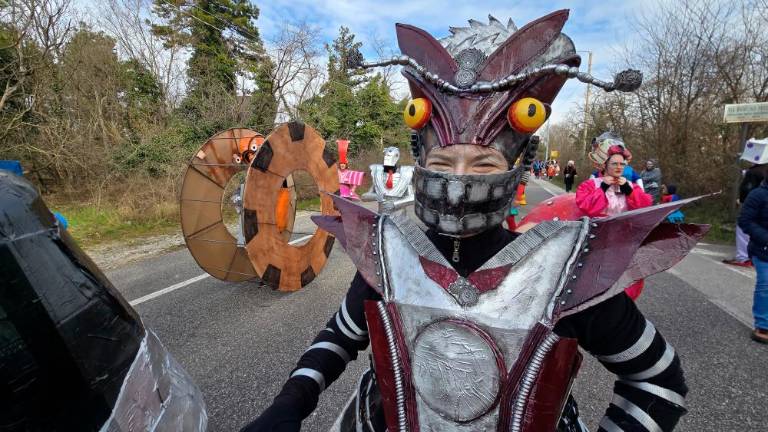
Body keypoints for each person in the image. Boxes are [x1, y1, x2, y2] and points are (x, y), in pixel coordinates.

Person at [241, 12, 690, 432]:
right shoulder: (388, 252)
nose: (458, 183)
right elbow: (341, 336)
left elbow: (657, 380)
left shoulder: (569, 270)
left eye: (482, 164)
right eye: (443, 162)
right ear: (421, 159)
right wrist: (289, 405)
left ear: (517, 164)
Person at [576, 145, 653, 300]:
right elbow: (587, 206)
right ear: (605, 165)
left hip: (623, 242)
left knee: (623, 282)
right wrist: (603, 187)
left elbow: (645, 207)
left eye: (622, 164)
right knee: (594, 280)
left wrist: (629, 191)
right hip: (597, 240)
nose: (619, 167)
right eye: (614, 164)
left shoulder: (631, 185)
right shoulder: (592, 184)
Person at [737, 179, 768, 343]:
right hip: (762, 250)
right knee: (766, 284)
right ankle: (763, 324)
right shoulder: (758, 194)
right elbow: (745, 221)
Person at [724, 163, 768, 266]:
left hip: (754, 205)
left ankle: (744, 257)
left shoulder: (754, 172)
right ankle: (748, 256)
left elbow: (746, 190)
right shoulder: (759, 170)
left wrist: (742, 199)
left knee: (743, 228)